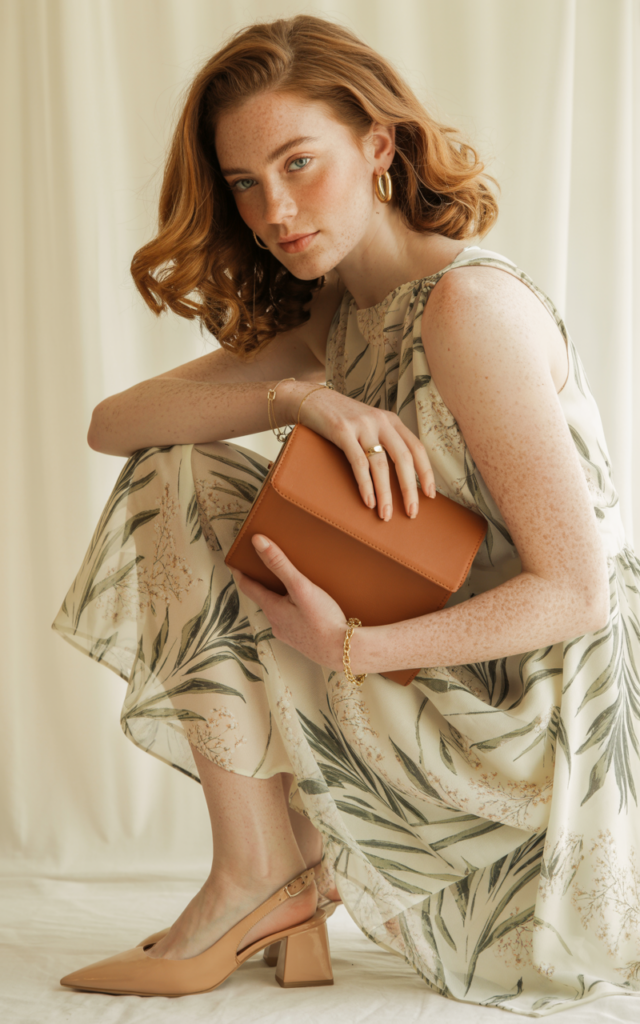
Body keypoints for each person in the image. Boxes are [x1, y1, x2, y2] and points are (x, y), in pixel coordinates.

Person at [52, 13, 640, 1016]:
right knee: (177, 473)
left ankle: (263, 881)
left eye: (298, 163)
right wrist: (296, 395)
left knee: (194, 487)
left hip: (537, 735)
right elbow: (117, 424)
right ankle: (268, 874)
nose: (274, 209)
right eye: (245, 183)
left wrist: (353, 648)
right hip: (435, 673)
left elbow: (578, 592)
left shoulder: (467, 309)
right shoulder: (340, 314)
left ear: (377, 147)